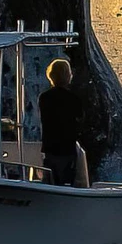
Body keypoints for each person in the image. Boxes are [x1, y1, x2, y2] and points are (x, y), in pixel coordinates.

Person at [38, 58, 83, 186]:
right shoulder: (74, 98)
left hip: (50, 146)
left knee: (52, 180)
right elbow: (80, 119)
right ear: (68, 76)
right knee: (67, 181)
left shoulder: (44, 97)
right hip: (67, 147)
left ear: (51, 76)